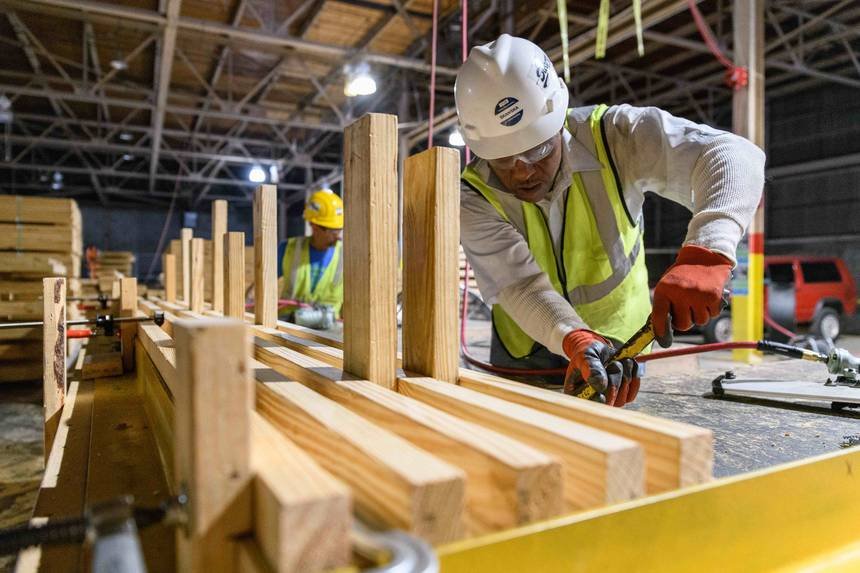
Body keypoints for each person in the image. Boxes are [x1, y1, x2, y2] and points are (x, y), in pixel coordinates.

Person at [455, 34, 765, 407]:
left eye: (537, 149)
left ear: (558, 122)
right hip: (525, 353)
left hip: (621, 347)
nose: (522, 173)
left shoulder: (614, 138)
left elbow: (733, 155)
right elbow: (518, 285)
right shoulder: (472, 194)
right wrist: (574, 337)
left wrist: (708, 251)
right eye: (504, 159)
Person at [277, 189, 344, 322]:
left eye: (339, 229)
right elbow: (259, 287)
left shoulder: (347, 255)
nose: (338, 235)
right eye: (332, 230)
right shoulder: (288, 249)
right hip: (289, 325)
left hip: (329, 329)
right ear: (314, 226)